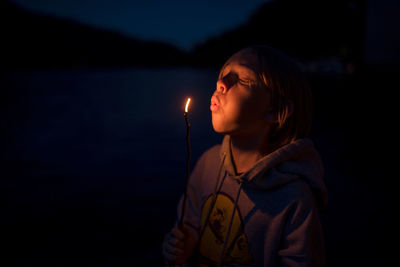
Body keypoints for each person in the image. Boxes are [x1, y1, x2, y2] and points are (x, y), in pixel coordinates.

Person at [162, 45, 328, 267]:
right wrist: (182, 245)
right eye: (223, 74)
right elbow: (189, 225)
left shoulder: (295, 199)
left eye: (242, 80)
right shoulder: (208, 163)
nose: (221, 83)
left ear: (275, 111)